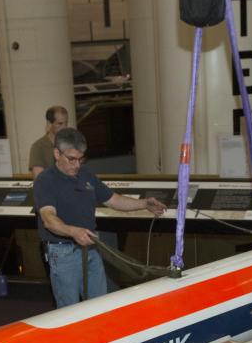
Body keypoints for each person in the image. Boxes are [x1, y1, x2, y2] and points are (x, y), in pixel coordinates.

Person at [33, 128, 166, 308]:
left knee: (100, 307)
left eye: (81, 159)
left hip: (91, 248)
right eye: (71, 159)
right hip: (62, 253)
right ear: (57, 153)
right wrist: (73, 231)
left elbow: (114, 200)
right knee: (68, 312)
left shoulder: (86, 174)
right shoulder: (45, 181)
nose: (77, 165)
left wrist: (143, 204)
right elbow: (48, 218)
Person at [28, 105, 69, 177]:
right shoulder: (38, 147)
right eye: (60, 123)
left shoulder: (70, 144)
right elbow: (39, 179)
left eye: (66, 123)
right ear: (49, 124)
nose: (64, 127)